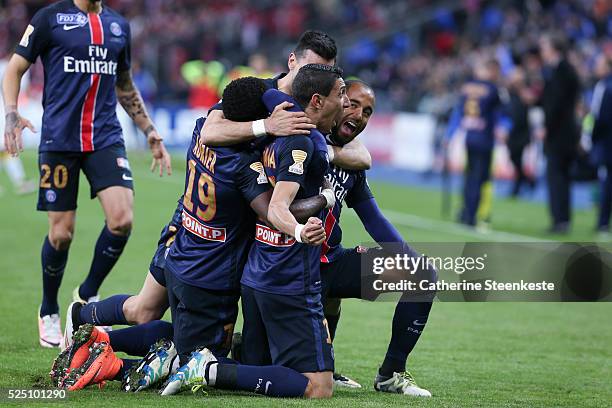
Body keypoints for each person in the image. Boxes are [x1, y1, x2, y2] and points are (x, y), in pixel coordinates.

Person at [162, 64, 348, 399]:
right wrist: (320, 204)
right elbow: (277, 208)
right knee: (319, 387)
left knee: (256, 361)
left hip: (247, 270)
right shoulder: (299, 143)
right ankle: (205, 368)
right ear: (318, 100)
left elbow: (260, 91)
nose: (346, 102)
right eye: (342, 93)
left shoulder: (259, 135)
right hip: (285, 274)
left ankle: (186, 360)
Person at [1, 0, 171, 347]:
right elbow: (15, 68)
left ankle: (86, 293)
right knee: (61, 234)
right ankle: (48, 307)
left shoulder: (118, 26)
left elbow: (124, 85)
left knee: (122, 220)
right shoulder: (50, 19)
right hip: (59, 140)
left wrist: (148, 129)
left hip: (105, 137)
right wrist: (12, 113)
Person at [446, 59, 505, 227]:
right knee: (480, 178)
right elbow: (501, 112)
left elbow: (458, 112)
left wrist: (450, 134)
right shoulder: (492, 89)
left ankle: (464, 212)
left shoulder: (467, 87)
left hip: (469, 136)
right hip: (485, 138)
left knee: (469, 176)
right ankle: (471, 215)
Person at [539, 34, 581, 233]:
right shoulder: (565, 70)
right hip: (566, 132)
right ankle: (563, 219)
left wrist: (546, 127)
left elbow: (556, 105)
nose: (542, 51)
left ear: (554, 49)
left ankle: (559, 220)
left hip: (559, 134)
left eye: (545, 47)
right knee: (562, 177)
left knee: (556, 176)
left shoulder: (561, 72)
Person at [589, 55, 612, 233]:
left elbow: (598, 117)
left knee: (606, 180)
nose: (596, 67)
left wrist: (591, 138)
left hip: (607, 143)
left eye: (599, 64)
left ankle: (603, 222)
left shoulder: (603, 86)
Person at [506, 68, 535, 197]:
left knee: (518, 158)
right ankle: (528, 180)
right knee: (514, 158)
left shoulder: (525, 91)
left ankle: (517, 187)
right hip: (513, 130)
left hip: (522, 131)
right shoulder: (510, 91)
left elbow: (531, 100)